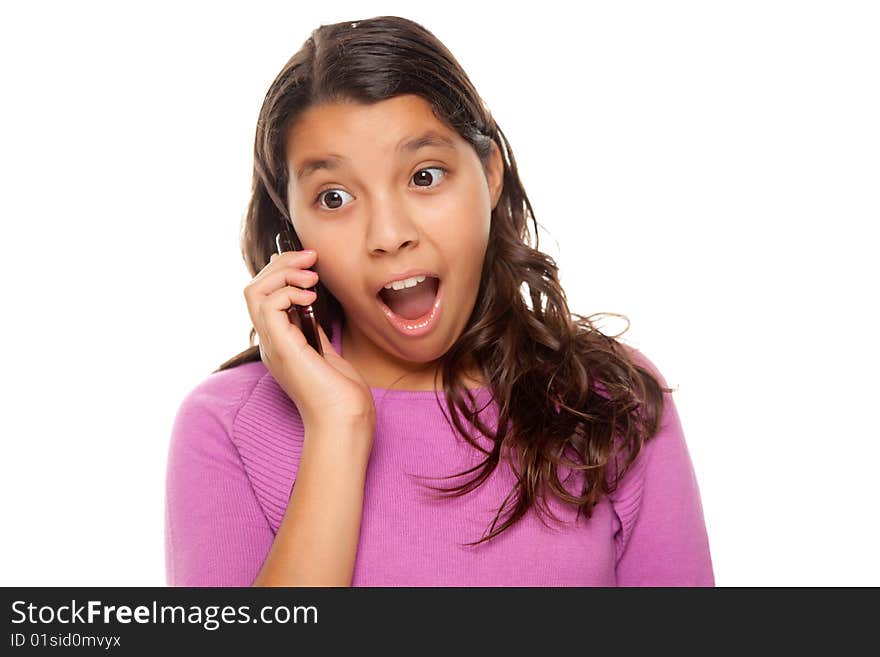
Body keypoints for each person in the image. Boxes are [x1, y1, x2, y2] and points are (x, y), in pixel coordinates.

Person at [164, 15, 714, 587]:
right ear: (292, 230)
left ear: (490, 175)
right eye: (334, 197)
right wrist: (337, 428)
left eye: (425, 176)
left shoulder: (607, 398)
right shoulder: (226, 427)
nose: (388, 233)